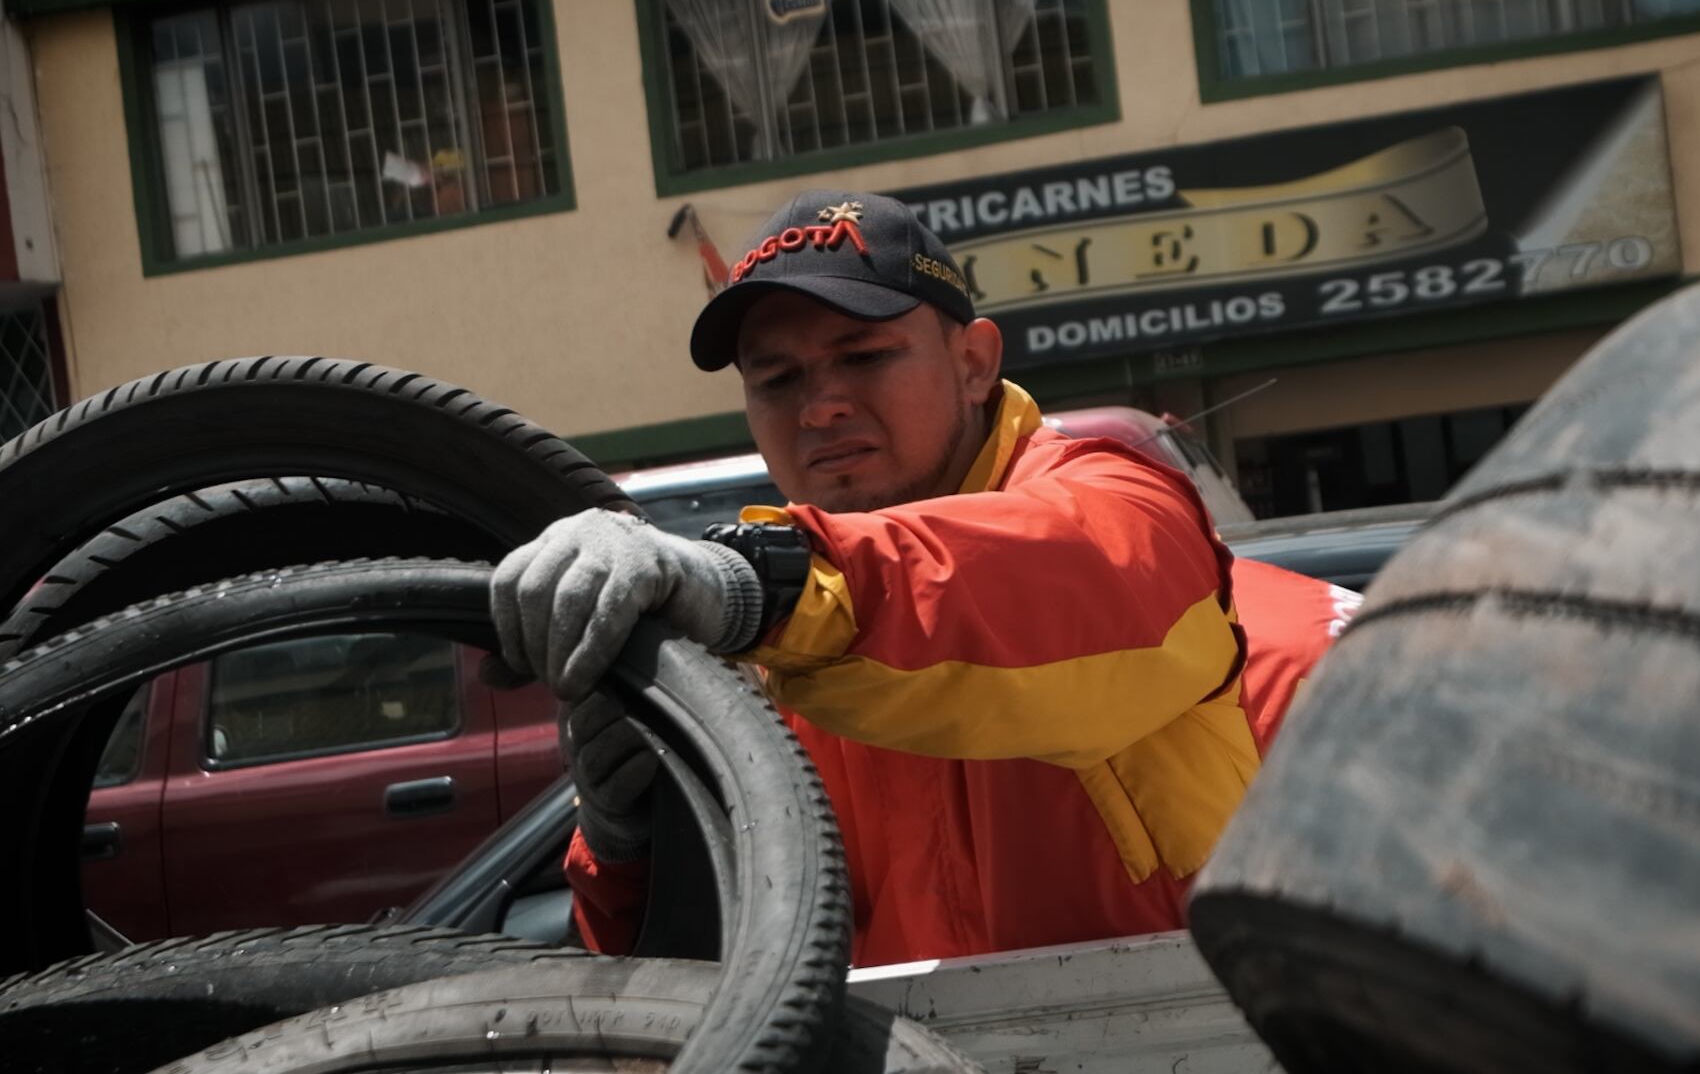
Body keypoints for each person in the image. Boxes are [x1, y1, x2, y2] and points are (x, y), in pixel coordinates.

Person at [490, 190, 1353, 967]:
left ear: (975, 361)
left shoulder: (1120, 503)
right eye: (778, 378)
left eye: (864, 355)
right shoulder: (769, 663)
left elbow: (1062, 579)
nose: (820, 405)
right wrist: (630, 839)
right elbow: (698, 1004)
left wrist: (765, 583)